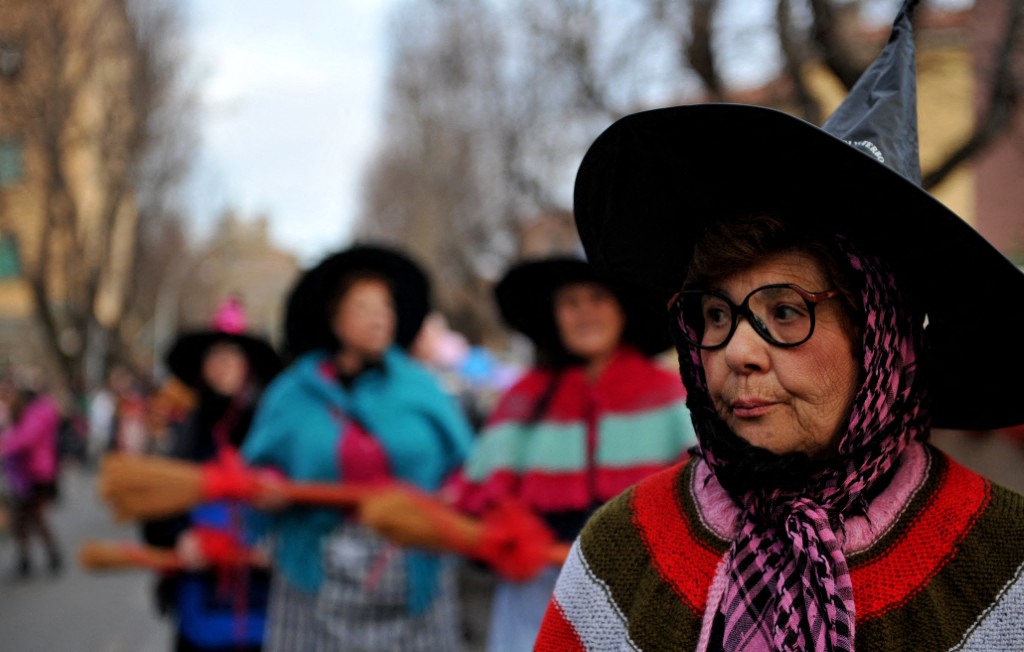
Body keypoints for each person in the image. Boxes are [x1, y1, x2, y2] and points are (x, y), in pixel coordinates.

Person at [536, 2, 1024, 650]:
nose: (737, 351)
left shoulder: (1004, 565)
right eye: (714, 314)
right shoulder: (620, 555)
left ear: (880, 339)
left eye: (785, 312)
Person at [453, 255, 697, 651]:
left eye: (597, 298)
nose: (585, 313)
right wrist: (502, 529)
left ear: (622, 309)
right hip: (535, 593)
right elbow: (478, 493)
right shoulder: (523, 398)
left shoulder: (670, 397)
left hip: (641, 592)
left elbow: (702, 495)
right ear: (554, 315)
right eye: (571, 302)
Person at [241, 244, 475, 651]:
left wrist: (455, 492)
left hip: (413, 568)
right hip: (314, 577)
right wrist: (268, 489)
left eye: (385, 306)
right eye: (364, 307)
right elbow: (260, 467)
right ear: (334, 318)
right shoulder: (293, 392)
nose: (379, 317)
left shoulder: (421, 388)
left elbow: (465, 463)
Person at [142, 297, 283, 652]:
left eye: (233, 357)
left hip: (267, 604)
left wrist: (281, 545)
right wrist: (180, 537)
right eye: (216, 358)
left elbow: (300, 501)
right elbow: (156, 510)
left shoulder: (274, 431)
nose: (225, 367)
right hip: (200, 602)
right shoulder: (184, 436)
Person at [0, 372, 64, 578]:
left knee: (29, 517)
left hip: (35, 475)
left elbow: (24, 440)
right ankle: (39, 556)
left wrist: (4, 445)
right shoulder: (38, 411)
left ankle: (38, 557)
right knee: (30, 518)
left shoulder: (38, 413)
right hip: (33, 474)